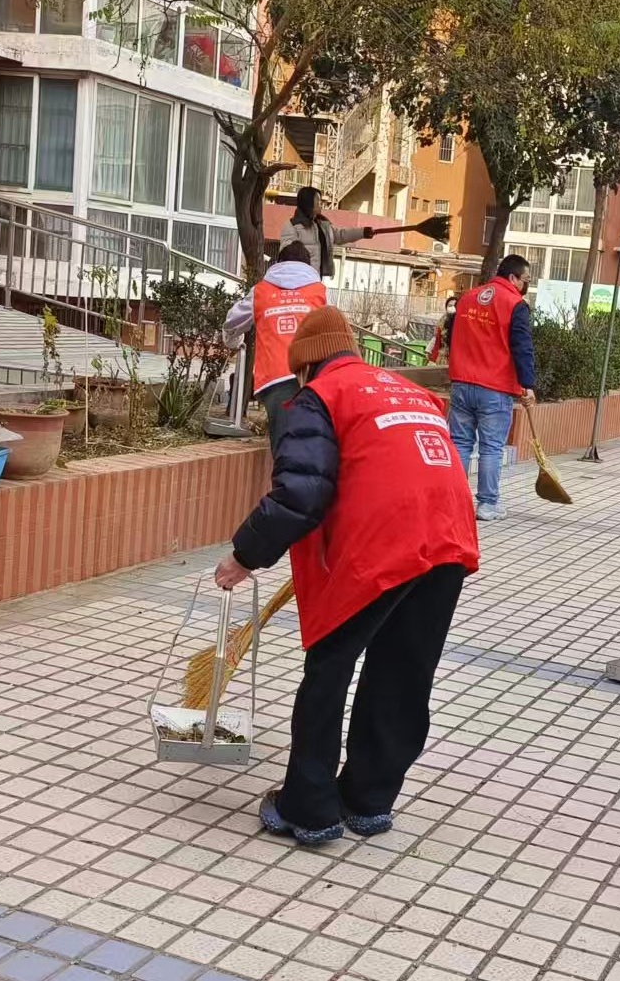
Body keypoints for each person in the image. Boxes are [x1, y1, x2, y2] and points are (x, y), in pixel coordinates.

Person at [214, 306, 479, 845]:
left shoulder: (320, 397)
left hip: (383, 549)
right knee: (403, 672)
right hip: (450, 541)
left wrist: (244, 556)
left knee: (329, 670)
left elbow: (301, 492)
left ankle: (309, 811)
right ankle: (367, 800)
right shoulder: (408, 391)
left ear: (307, 365)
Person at [446, 256, 537, 521]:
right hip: (494, 388)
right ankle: (487, 504)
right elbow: (522, 347)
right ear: (513, 278)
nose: (526, 285)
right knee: (491, 447)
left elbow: (453, 337)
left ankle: (455, 501)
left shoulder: (467, 299)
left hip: (462, 383)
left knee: (460, 443)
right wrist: (528, 384)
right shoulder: (514, 305)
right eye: (525, 280)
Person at [224, 243, 326, 447]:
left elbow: (233, 321)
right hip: (311, 377)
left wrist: (232, 341)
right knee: (310, 442)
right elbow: (335, 330)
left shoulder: (261, 291)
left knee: (284, 443)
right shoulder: (320, 292)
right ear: (309, 266)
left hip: (275, 378)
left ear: (278, 263)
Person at [280, 187, 374, 279]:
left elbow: (340, 235)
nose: (321, 204)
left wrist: (363, 232)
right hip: (299, 279)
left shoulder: (322, 225)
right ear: (308, 203)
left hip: (316, 278)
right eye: (318, 202)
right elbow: (287, 256)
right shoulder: (292, 226)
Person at [425, 295, 459, 364]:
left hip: (456, 356)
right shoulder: (442, 321)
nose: (452, 307)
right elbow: (436, 337)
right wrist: (429, 350)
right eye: (450, 305)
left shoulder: (461, 321)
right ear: (446, 307)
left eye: (454, 305)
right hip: (442, 356)